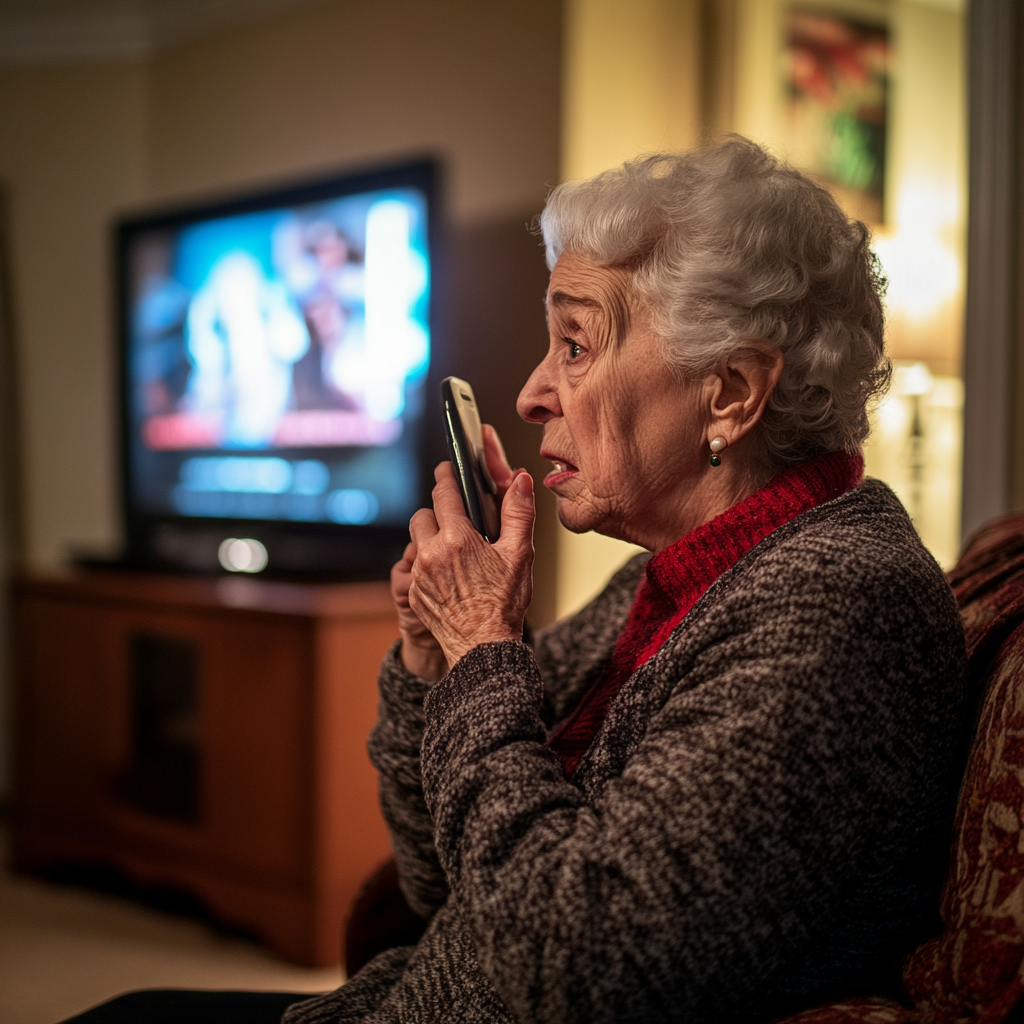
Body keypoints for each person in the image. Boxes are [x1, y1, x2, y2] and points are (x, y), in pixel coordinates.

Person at [62, 137, 966, 1024]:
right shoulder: (678, 583)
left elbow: (564, 964)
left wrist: (482, 655)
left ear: (729, 391)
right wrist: (433, 662)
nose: (533, 391)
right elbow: (437, 885)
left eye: (575, 344)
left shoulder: (837, 606)